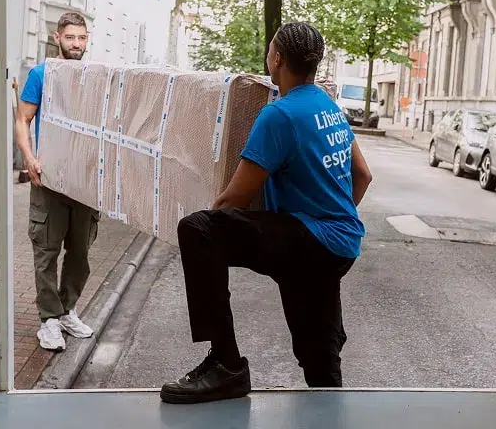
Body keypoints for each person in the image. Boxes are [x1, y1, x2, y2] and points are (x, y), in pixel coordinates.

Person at [159, 22, 373, 404]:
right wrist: (329, 220)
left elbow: (232, 202)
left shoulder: (280, 115)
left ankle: (225, 366)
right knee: (318, 356)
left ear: (276, 58)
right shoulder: (328, 106)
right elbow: (363, 175)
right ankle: (328, 402)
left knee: (197, 230)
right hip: (340, 245)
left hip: (310, 239)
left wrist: (208, 235)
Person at [15, 12, 99, 352]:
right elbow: (22, 119)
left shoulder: (95, 79)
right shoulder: (41, 74)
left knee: (80, 252)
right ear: (57, 39)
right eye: (70, 38)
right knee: (46, 253)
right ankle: (48, 320)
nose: (76, 44)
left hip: (84, 181)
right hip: (48, 179)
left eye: (81, 38)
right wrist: (29, 157)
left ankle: (67, 310)